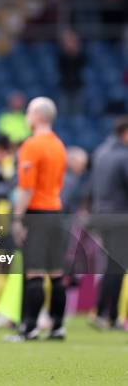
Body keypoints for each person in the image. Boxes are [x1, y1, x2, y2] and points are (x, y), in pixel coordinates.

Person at [8, 97, 67, 341]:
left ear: (38, 116)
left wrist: (17, 219)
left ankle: (29, 328)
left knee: (33, 272)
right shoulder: (59, 145)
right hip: (56, 212)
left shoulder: (31, 145)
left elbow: (26, 188)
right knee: (56, 273)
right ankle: (57, 327)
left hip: (37, 213)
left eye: (29, 112)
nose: (26, 116)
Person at [90, 117, 128, 330]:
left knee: (111, 265)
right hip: (120, 217)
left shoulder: (100, 152)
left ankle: (103, 313)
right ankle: (108, 315)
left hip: (101, 216)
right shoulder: (124, 156)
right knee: (118, 266)